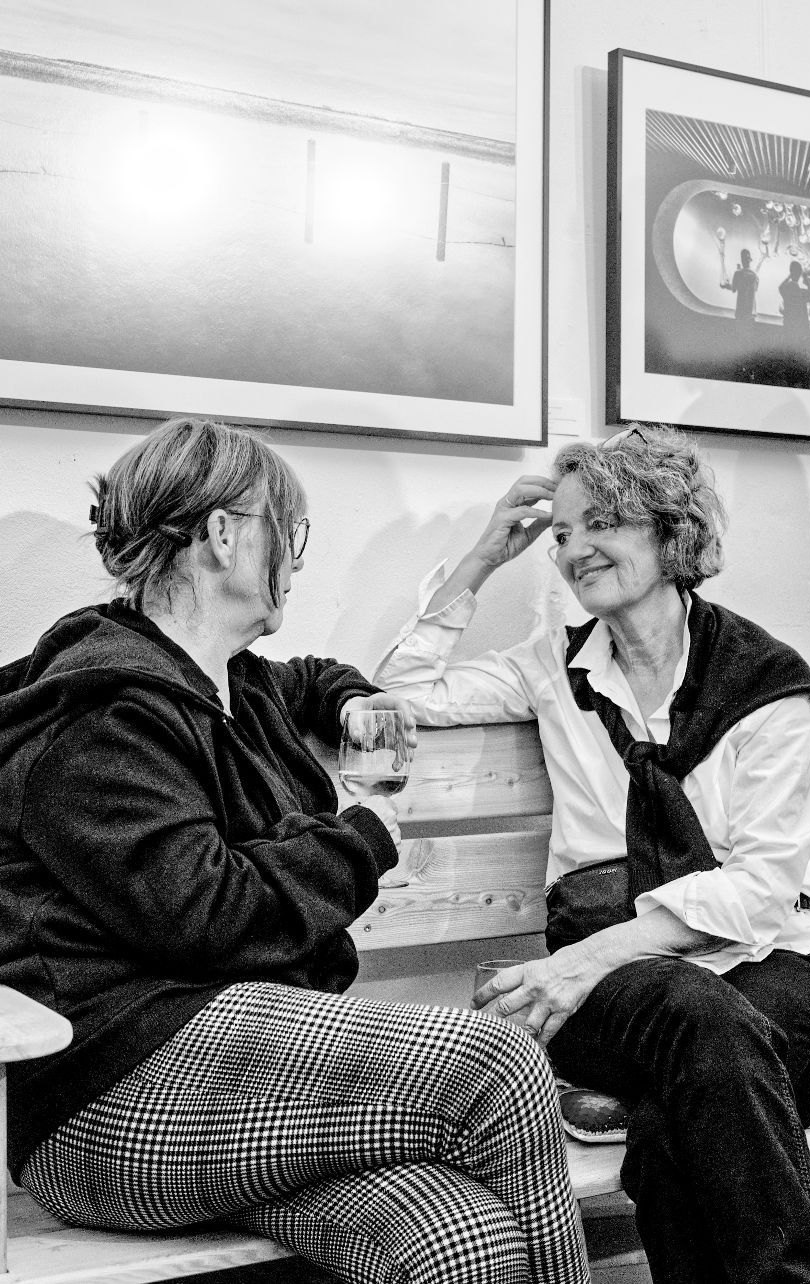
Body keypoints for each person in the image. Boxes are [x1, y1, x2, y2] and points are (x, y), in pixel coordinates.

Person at [0, 417, 587, 1284]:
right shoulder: (101, 715)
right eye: (290, 533)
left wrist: (352, 700)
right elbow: (206, 913)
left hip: (234, 1084)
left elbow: (308, 676)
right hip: (108, 1095)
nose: (296, 562)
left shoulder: (231, 680)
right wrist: (362, 839)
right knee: (496, 1065)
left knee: (457, 1236)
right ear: (224, 534)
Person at [375, 425, 810, 1284]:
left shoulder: (767, 686)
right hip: (619, 990)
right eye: (563, 533)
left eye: (602, 522)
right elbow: (398, 693)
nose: (575, 550)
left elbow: (760, 893)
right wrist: (485, 555)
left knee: (680, 1121)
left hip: (777, 962)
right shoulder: (551, 670)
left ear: (669, 528)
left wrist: (579, 962)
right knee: (702, 1024)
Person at [723, 247, 760, 324]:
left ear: (741, 260)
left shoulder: (738, 274)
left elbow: (733, 289)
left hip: (740, 312)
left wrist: (726, 286)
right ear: (750, 260)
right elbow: (754, 289)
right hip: (751, 313)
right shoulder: (755, 275)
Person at [778, 260, 810, 330]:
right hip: (802, 327)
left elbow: (780, 287)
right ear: (800, 274)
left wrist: (789, 276)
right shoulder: (802, 294)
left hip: (788, 325)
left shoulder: (786, 292)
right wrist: (807, 280)